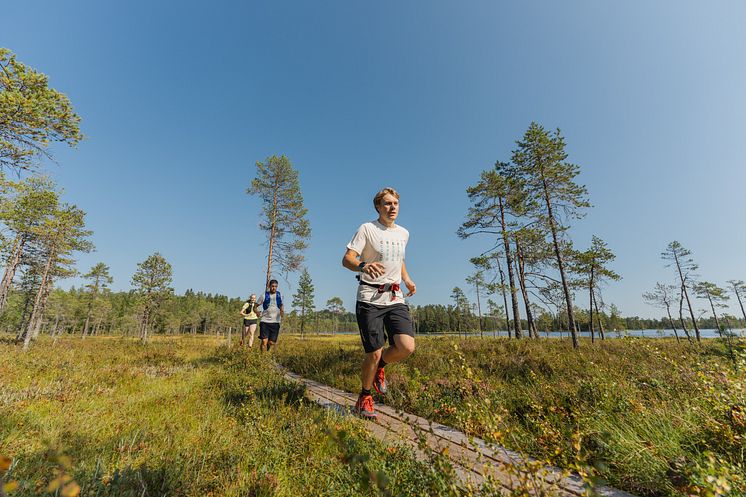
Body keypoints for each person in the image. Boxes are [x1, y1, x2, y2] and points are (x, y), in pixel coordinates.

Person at [342, 187, 416, 419]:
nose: (392, 207)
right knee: (372, 353)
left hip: (395, 298)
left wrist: (406, 279)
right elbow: (347, 259)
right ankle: (364, 397)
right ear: (378, 207)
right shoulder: (367, 229)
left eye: (395, 203)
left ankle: (381, 367)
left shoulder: (403, 233)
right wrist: (363, 266)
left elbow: (399, 258)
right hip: (369, 298)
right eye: (387, 203)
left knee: (406, 346)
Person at [258, 279, 283, 352]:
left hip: (275, 322)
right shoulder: (264, 295)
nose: (274, 288)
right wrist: (257, 311)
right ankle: (262, 357)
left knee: (271, 342)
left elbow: (281, 304)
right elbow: (256, 306)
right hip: (265, 321)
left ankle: (267, 354)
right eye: (272, 286)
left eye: (276, 286)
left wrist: (282, 310)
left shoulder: (280, 295)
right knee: (264, 342)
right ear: (269, 286)